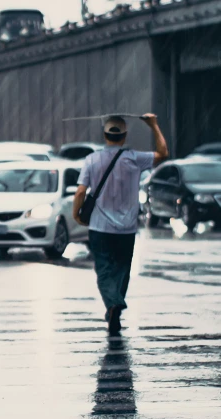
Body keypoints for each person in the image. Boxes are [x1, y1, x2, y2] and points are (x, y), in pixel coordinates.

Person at [72, 114, 168, 336]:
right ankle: (116, 304)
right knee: (122, 269)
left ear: (104, 135)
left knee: (104, 270)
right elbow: (164, 153)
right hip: (126, 228)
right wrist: (153, 125)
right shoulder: (135, 158)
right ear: (124, 137)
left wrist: (77, 213)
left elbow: (80, 191)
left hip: (99, 227)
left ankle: (113, 304)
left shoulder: (92, 160)